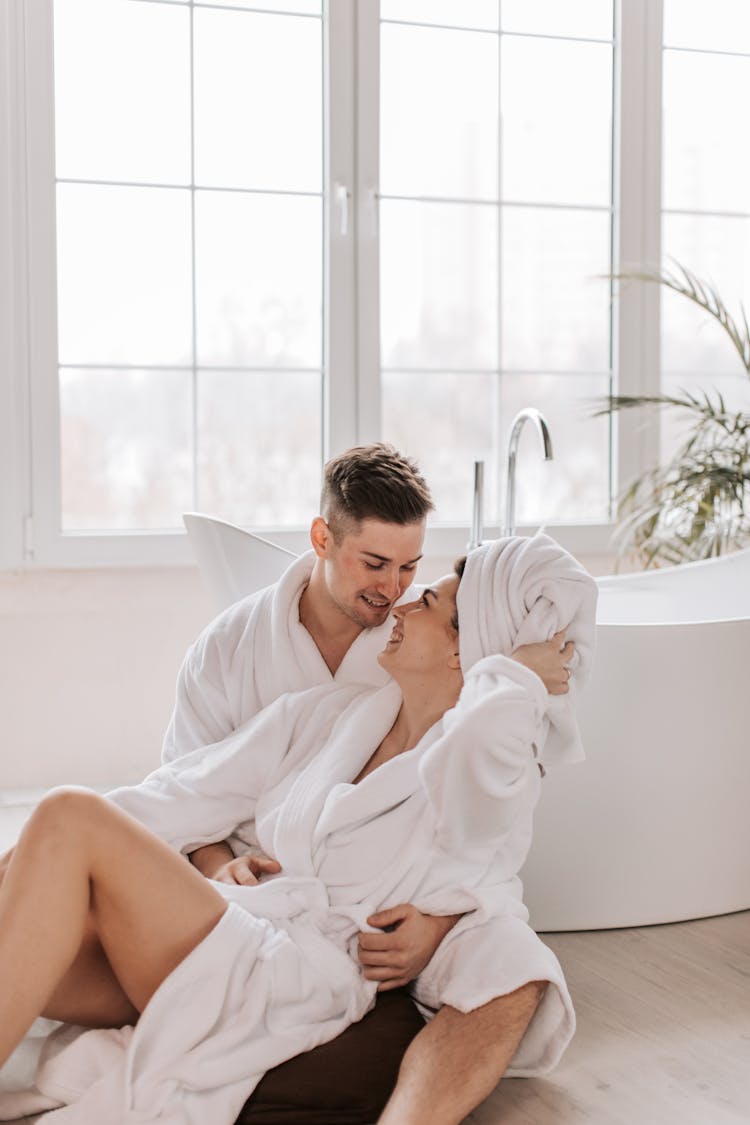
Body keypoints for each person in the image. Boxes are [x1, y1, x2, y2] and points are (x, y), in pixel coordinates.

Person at [0, 533, 597, 1125]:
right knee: (26, 866)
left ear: (466, 653)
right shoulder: (329, 714)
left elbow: (510, 957)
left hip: (286, 981)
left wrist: (512, 674)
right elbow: (180, 792)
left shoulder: (477, 794)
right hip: (229, 941)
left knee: (68, 815)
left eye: (430, 605)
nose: (403, 602)